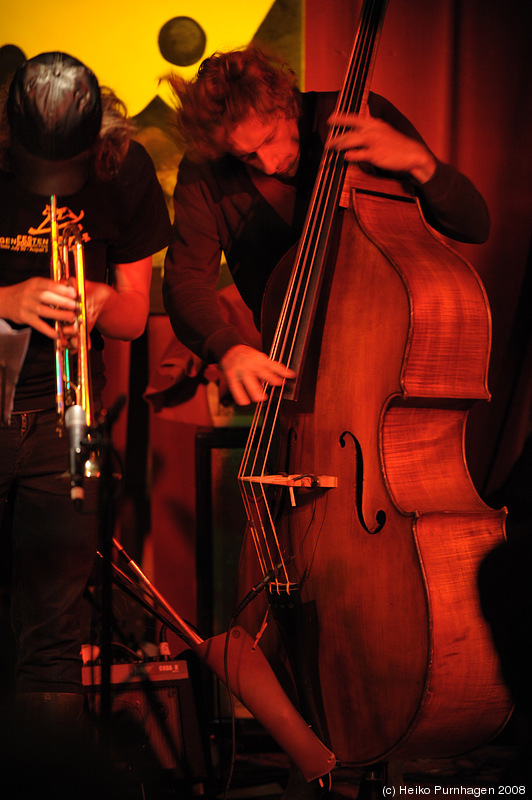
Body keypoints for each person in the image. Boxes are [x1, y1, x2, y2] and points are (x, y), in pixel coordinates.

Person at [162, 46, 490, 407]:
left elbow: (474, 226)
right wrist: (226, 347)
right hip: (291, 386)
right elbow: (187, 278)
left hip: (386, 376)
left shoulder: (358, 119)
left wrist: (423, 166)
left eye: (270, 138)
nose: (269, 165)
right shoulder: (205, 173)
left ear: (286, 102)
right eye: (246, 155)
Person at [0, 52, 172, 727]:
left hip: (63, 423)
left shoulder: (124, 170)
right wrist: (9, 298)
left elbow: (134, 316)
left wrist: (94, 298)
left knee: (51, 641)